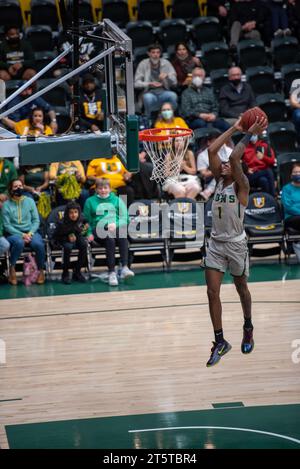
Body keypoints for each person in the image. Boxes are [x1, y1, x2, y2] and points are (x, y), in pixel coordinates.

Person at [203, 115, 267, 367]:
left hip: (236, 244)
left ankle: (248, 325)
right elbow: (211, 149)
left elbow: (233, 157)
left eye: (230, 164)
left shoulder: (242, 186)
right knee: (211, 292)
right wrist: (234, 128)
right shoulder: (219, 181)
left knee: (241, 288)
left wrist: (249, 133)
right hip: (216, 243)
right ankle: (220, 341)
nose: (225, 164)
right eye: (224, 165)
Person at [84, 178, 134, 286]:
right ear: (96, 189)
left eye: (105, 188)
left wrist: (115, 224)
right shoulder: (89, 201)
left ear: (110, 189)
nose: (103, 190)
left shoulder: (117, 200)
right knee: (110, 240)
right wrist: (88, 233)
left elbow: (125, 218)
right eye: (100, 188)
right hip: (98, 229)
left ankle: (125, 268)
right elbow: (85, 220)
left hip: (115, 227)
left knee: (123, 236)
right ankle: (112, 272)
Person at [2, 179, 46, 285]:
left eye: (20, 186)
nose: (18, 188)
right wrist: (22, 235)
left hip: (30, 231)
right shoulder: (6, 205)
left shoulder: (30, 201)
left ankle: (41, 271)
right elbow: (7, 225)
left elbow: (36, 220)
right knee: (19, 242)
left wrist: (30, 233)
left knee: (38, 244)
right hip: (13, 233)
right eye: (15, 186)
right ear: (11, 189)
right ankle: (12, 269)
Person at [134, 43, 178, 118]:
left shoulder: (166, 63)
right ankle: (148, 119)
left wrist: (167, 76)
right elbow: (136, 83)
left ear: (160, 53)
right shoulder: (143, 64)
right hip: (149, 92)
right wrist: (149, 84)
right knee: (148, 98)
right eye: (153, 52)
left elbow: (175, 82)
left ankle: (171, 119)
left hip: (164, 91)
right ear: (148, 53)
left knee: (173, 96)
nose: (155, 55)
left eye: (158, 52)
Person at [180, 67, 230, 132]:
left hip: (210, 117)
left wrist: (214, 115)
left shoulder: (209, 91)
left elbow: (216, 106)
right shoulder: (186, 93)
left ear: (204, 77)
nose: (197, 78)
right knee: (201, 123)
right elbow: (186, 111)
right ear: (192, 77)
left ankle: (226, 142)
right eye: (195, 75)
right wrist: (200, 115)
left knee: (224, 125)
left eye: (200, 76)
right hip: (194, 119)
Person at [53, 201, 89, 284]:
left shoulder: (80, 218)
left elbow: (85, 221)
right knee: (68, 247)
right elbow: (56, 237)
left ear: (79, 212)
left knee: (84, 245)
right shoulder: (61, 223)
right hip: (64, 238)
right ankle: (65, 273)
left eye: (76, 212)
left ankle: (77, 271)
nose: (74, 215)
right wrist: (67, 237)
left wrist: (86, 225)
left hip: (77, 236)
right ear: (67, 213)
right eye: (71, 213)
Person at [197, 129, 232, 201]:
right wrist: (218, 170)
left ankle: (207, 193)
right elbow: (204, 173)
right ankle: (208, 191)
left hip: (230, 176)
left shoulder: (228, 150)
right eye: (215, 142)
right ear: (208, 142)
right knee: (223, 174)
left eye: (220, 141)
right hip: (211, 179)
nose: (218, 144)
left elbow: (235, 165)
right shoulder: (202, 155)